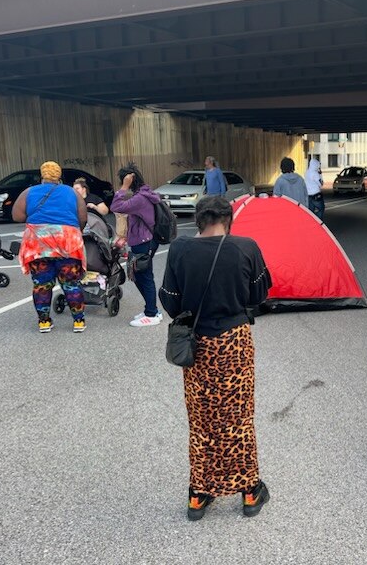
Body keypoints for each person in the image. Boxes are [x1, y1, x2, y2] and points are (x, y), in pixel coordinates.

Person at [159, 196, 273, 520]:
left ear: (197, 220)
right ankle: (250, 491)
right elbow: (259, 294)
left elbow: (170, 300)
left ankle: (199, 494)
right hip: (234, 342)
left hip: (199, 345)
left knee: (202, 420)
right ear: (229, 219)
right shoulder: (246, 247)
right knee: (238, 416)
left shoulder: (180, 249)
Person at [12, 161, 88, 333]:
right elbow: (82, 217)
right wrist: (75, 233)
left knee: (42, 284)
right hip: (67, 241)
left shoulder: (29, 192)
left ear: (42, 176)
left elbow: (17, 216)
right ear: (59, 176)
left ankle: (44, 322)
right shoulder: (71, 192)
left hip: (38, 243)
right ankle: (78, 321)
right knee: (71, 283)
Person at [110, 163, 163, 326]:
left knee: (144, 277)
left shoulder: (140, 198)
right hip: (144, 241)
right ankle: (151, 309)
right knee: (140, 276)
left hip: (143, 242)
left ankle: (152, 314)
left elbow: (116, 206)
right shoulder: (144, 193)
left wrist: (123, 187)